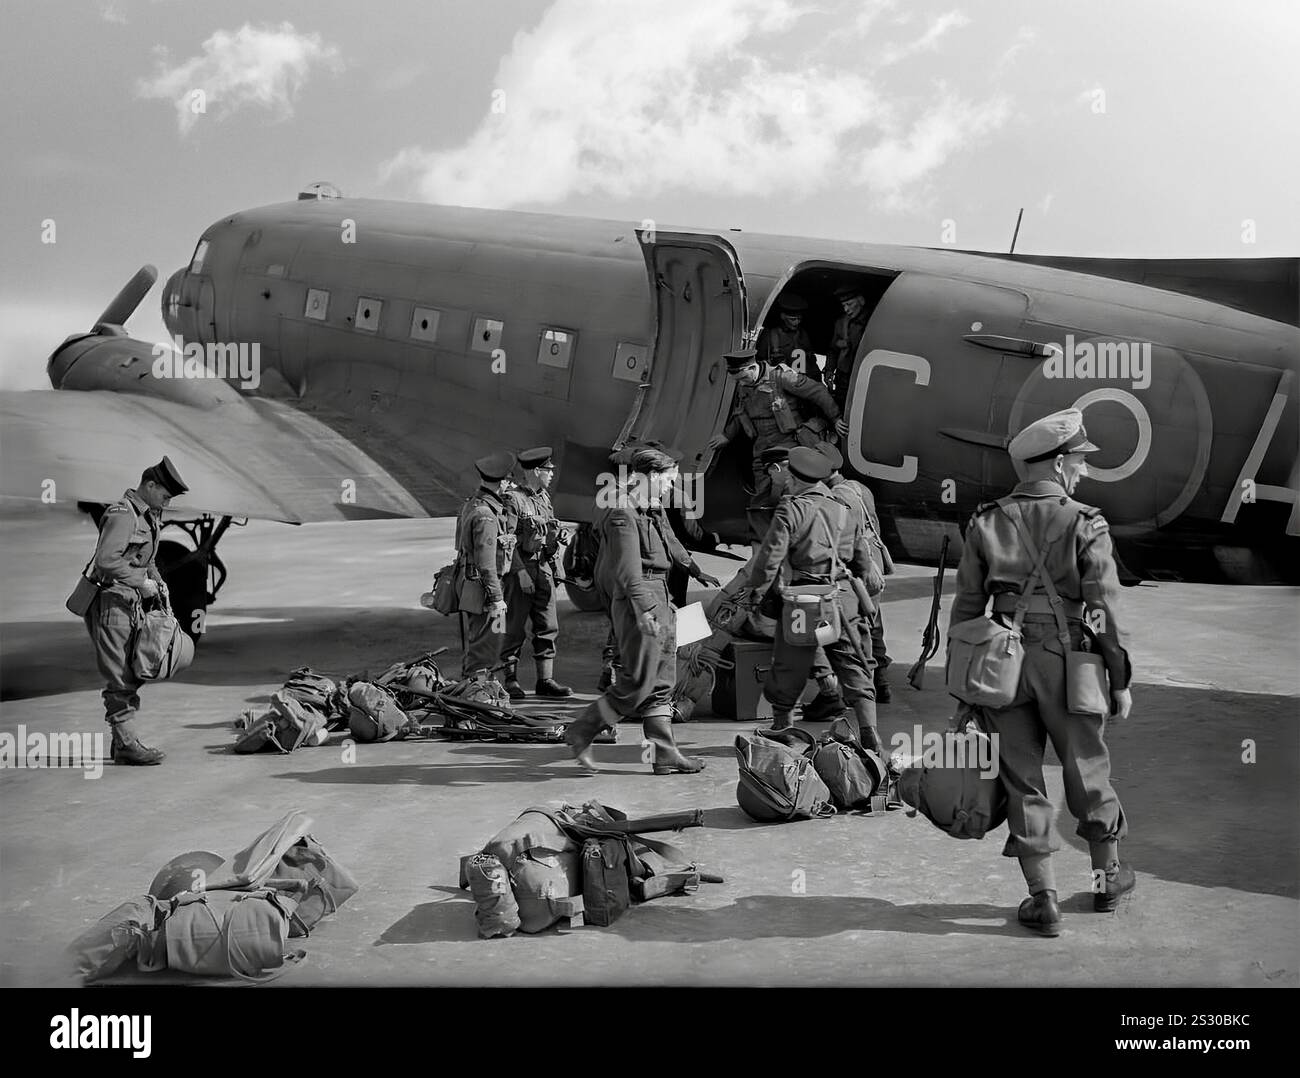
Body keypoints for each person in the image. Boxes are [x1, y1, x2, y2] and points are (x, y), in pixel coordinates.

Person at [948, 408, 1135, 938]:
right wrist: (1118, 678)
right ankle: (1106, 882)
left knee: (1021, 778)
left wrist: (968, 687)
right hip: (1070, 661)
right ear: (1056, 462)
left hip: (1002, 664)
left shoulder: (985, 521)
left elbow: (965, 612)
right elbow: (1102, 610)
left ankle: (1043, 898)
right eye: (1078, 460)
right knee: (1087, 769)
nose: (1082, 470)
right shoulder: (1085, 521)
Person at [564, 448, 708, 775]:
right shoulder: (622, 514)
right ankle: (582, 730)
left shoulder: (650, 510)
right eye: (667, 481)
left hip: (662, 595)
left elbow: (670, 544)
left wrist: (694, 569)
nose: (670, 488)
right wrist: (644, 611)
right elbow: (628, 572)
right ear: (650, 477)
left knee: (661, 681)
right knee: (638, 681)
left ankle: (664, 754)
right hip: (639, 601)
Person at [732, 447, 883, 753]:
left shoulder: (791, 509)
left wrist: (755, 594)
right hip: (840, 601)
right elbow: (862, 560)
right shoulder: (843, 509)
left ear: (794, 476)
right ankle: (870, 734)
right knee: (853, 665)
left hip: (804, 601)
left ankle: (782, 730)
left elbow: (769, 559)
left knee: (789, 665)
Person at [83, 455, 189, 765]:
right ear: (150, 484)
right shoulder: (123, 514)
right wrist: (140, 582)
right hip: (110, 604)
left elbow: (145, 558)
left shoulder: (147, 515)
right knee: (120, 676)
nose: (166, 503)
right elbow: (106, 560)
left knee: (134, 670)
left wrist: (156, 579)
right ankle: (127, 744)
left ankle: (122, 743)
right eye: (165, 496)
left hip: (129, 604)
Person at [706, 347, 847, 540]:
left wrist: (836, 418)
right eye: (737, 379)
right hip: (762, 447)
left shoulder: (782, 377)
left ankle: (798, 537)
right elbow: (740, 413)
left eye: (742, 377)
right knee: (762, 495)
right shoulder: (744, 385)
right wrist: (726, 436)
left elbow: (817, 392)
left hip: (787, 444)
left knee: (790, 491)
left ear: (752, 367)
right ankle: (763, 538)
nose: (740, 382)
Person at [814, 442, 896, 703]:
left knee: (855, 628)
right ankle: (881, 683)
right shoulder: (860, 488)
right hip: (875, 560)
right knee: (874, 624)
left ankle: (861, 691)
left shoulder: (837, 495)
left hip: (859, 565)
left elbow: (845, 536)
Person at [500, 446, 572, 700]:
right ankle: (510, 680)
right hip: (522, 568)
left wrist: (556, 537)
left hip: (543, 568)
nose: (552, 474)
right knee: (514, 628)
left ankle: (545, 680)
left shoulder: (543, 498)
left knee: (548, 626)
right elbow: (507, 541)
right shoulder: (513, 499)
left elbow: (546, 532)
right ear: (535, 471)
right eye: (548, 470)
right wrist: (519, 572)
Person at [454, 452, 517, 680]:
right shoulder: (486, 516)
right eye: (510, 480)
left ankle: (478, 691)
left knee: (482, 644)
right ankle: (475, 697)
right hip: (485, 590)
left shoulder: (473, 504)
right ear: (503, 482)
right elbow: (486, 563)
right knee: (486, 648)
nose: (511, 485)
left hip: (474, 585)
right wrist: (497, 598)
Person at [756, 293, 820, 381]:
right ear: (783, 316)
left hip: (801, 381)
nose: (797, 322)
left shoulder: (802, 334)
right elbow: (760, 362)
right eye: (793, 319)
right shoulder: (771, 335)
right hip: (780, 382)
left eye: (799, 319)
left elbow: (810, 360)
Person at [828, 284, 870, 408]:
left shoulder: (872, 322)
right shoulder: (841, 323)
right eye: (844, 305)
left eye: (850, 304)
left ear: (861, 301)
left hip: (863, 378)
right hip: (843, 378)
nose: (846, 309)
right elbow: (832, 350)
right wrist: (829, 370)